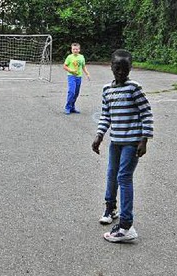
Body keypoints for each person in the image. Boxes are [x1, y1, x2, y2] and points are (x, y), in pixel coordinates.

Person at [92, 49, 153, 243]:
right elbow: (106, 115)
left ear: (130, 69)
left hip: (132, 142)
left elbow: (146, 113)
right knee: (111, 174)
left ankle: (127, 226)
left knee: (124, 178)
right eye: (117, 68)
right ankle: (111, 207)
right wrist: (99, 135)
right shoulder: (107, 90)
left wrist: (144, 139)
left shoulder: (134, 88)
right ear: (111, 67)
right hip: (116, 141)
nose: (120, 73)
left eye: (125, 69)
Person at [63, 42, 90, 115]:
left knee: (76, 93)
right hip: (71, 76)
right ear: (71, 50)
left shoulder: (81, 57)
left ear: (79, 50)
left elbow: (83, 66)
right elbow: (64, 66)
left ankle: (72, 107)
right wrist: (71, 70)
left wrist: (87, 73)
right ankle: (67, 107)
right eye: (73, 49)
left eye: (76, 49)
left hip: (79, 77)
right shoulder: (69, 57)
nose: (75, 50)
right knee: (71, 92)